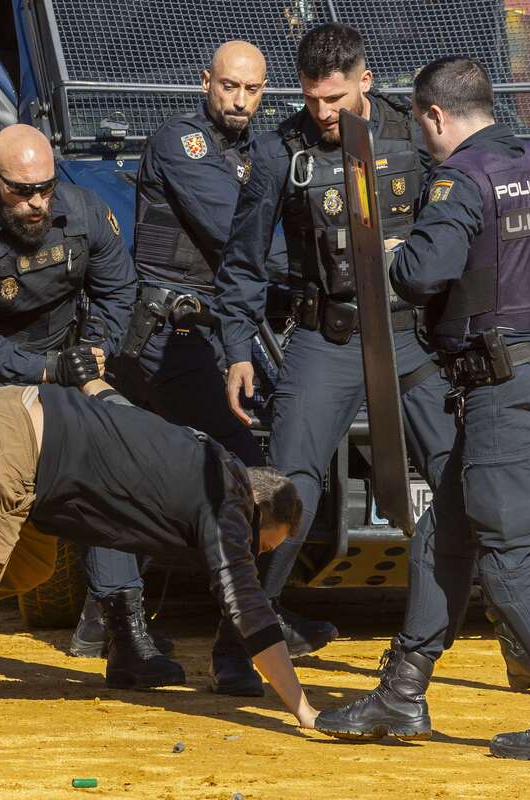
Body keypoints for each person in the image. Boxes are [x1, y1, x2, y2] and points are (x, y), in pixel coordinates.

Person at [314, 57, 530, 761]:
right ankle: (402, 692)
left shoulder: (460, 179)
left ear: (432, 114)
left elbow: (420, 274)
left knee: (509, 558)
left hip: (501, 391)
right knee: (445, 535)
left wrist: (399, 255)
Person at [0, 380, 320, 732]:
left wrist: (93, 378)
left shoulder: (212, 456)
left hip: (17, 427)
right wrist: (301, 707)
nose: (253, 553)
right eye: (263, 543)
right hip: (9, 446)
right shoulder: (226, 503)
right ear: (257, 511)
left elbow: (118, 406)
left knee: (33, 567)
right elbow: (247, 607)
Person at [213, 24, 458, 642]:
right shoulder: (279, 152)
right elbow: (241, 262)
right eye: (312, 99)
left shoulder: (413, 136)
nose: (323, 113)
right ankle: (243, 642)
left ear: (365, 83)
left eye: (336, 100)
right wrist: (237, 350)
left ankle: (479, 627)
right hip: (329, 337)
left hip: (410, 336)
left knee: (463, 475)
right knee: (288, 489)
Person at [0, 124, 183, 690]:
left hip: (62, 360)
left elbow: (118, 291)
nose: (38, 202)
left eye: (45, 187)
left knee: (105, 481)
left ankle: (126, 637)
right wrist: (42, 372)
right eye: (22, 190)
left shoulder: (85, 212)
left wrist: (94, 350)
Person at [117, 40, 331, 697]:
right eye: (229, 86)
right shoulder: (184, 145)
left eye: (253, 90)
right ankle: (138, 631)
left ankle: (231, 633)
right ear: (204, 80)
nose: (240, 100)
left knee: (225, 472)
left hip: (206, 338)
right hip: (164, 338)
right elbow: (235, 232)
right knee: (144, 480)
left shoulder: (251, 151)